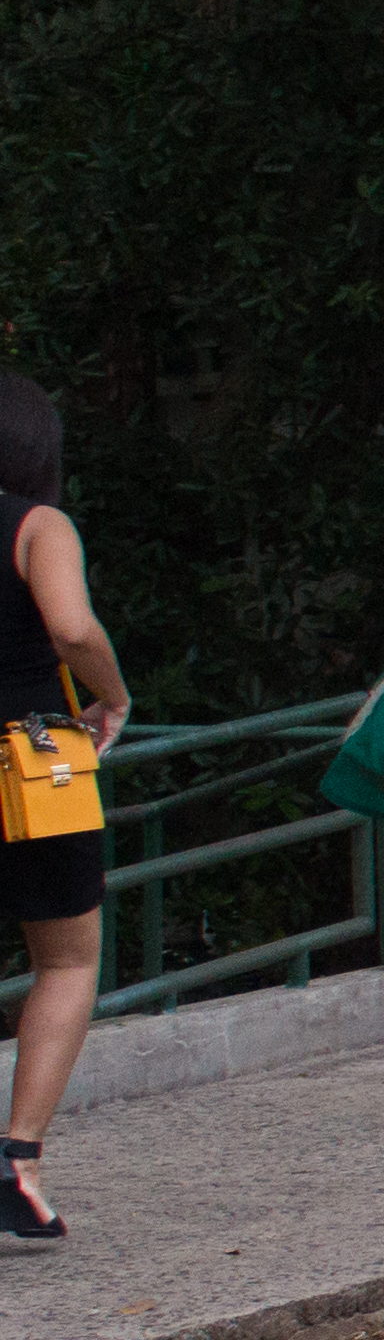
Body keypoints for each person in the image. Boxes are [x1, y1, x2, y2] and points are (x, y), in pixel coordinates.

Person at [0, 372, 132, 1239]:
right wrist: (114, 696)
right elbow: (72, 627)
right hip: (35, 754)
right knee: (69, 958)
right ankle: (18, 1164)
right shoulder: (38, 525)